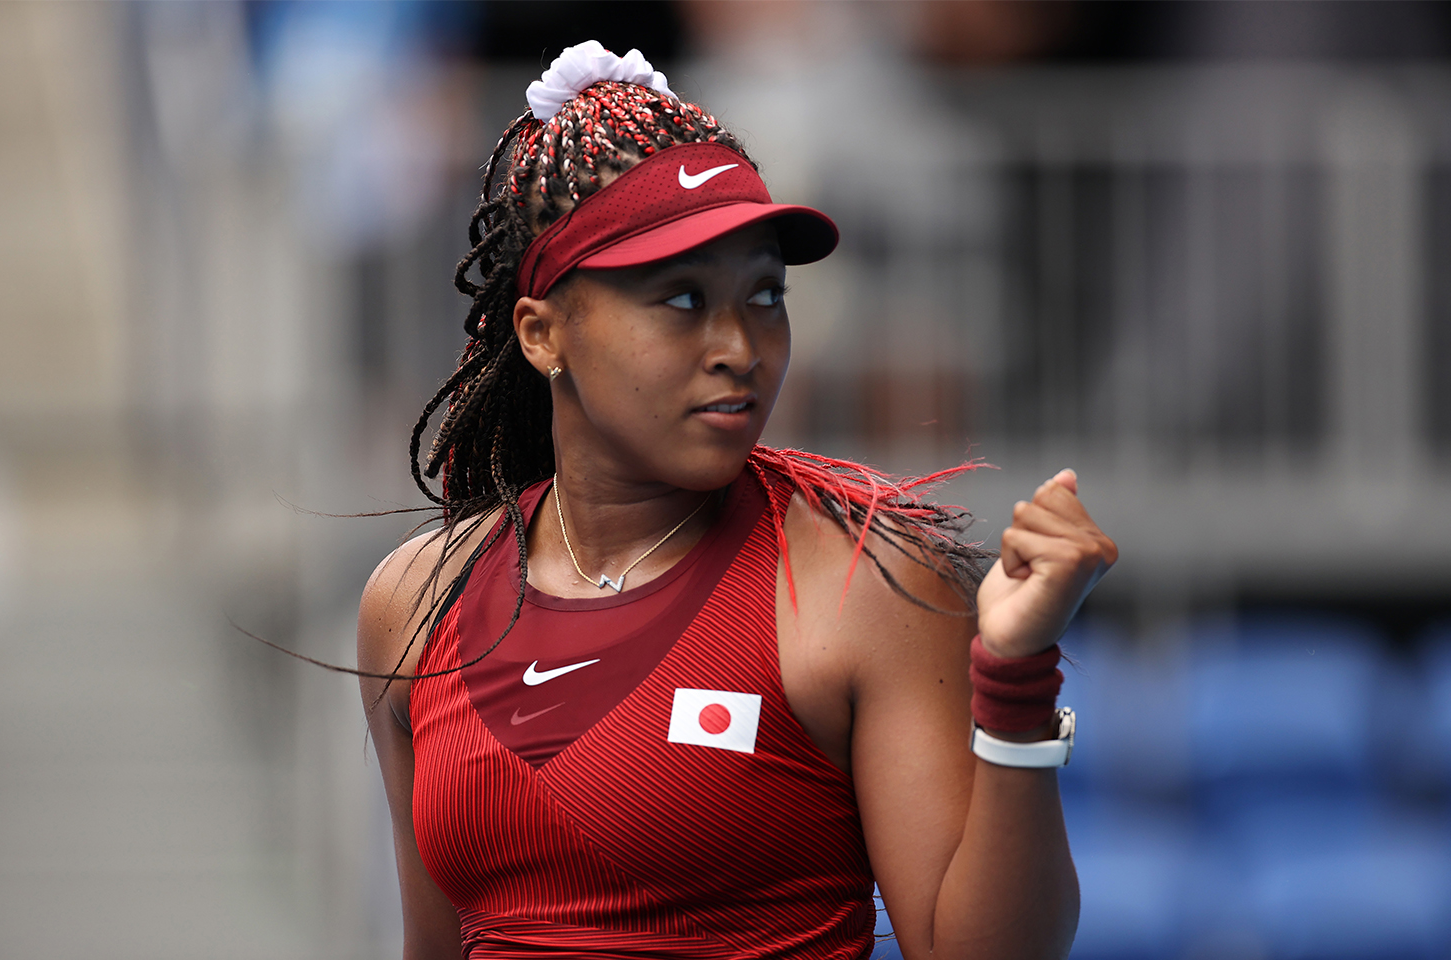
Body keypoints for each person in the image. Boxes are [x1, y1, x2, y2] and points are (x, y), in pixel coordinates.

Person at [357, 41, 1116, 960]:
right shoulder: (411, 605)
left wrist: (1017, 679)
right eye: (681, 300)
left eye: (765, 295)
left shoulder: (862, 586)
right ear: (542, 332)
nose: (739, 346)